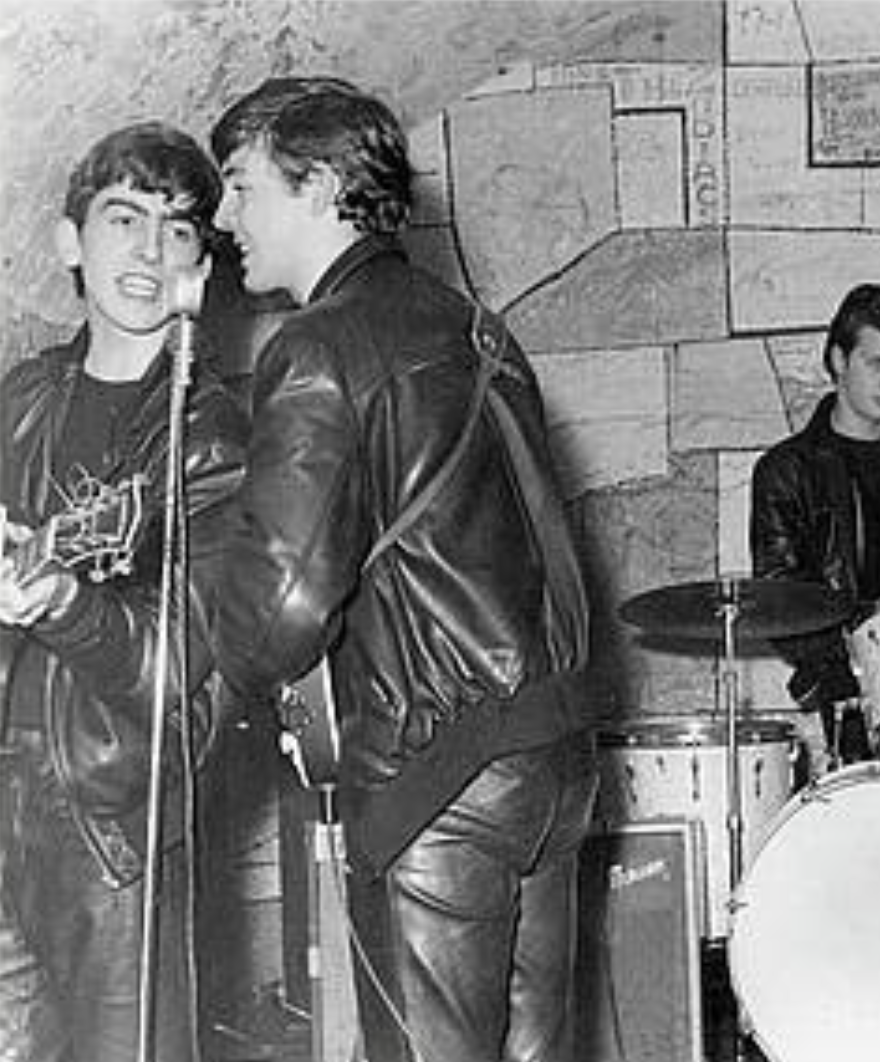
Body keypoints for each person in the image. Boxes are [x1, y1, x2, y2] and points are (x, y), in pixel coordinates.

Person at [208, 77, 598, 1062]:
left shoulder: (319, 347)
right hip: (547, 766)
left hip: (439, 788)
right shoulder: (479, 330)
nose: (222, 218)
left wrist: (208, 612)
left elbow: (282, 612)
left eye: (242, 186)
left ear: (322, 184)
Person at [0, 123, 248, 1061]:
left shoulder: (209, 433)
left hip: (110, 820)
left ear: (200, 267)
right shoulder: (23, 397)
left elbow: (176, 664)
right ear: (70, 242)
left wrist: (68, 604)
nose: (149, 250)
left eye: (179, 229)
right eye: (124, 217)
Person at [750, 284, 880, 766]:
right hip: (851, 683)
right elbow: (782, 602)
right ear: (839, 360)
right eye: (876, 364)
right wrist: (862, 665)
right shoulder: (788, 470)